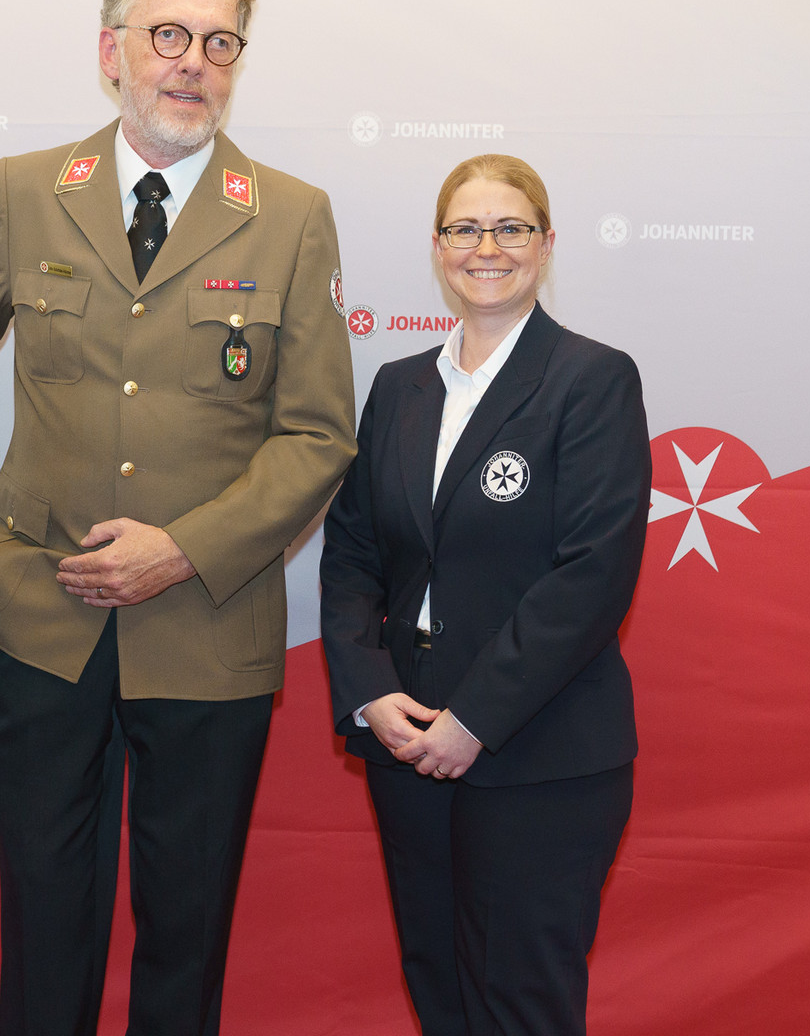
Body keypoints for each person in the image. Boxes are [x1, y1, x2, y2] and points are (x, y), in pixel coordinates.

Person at [0, 0, 357, 1036]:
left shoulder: (291, 212)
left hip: (207, 625)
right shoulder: (30, 189)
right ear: (110, 50)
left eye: (219, 42)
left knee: (187, 932)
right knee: (45, 923)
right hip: (43, 623)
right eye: (168, 35)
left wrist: (183, 546)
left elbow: (317, 433)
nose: (192, 63)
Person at [319, 154, 651, 1036]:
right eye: (465, 229)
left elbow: (592, 574)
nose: (486, 248)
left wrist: (474, 718)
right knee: (441, 992)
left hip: (536, 754)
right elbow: (353, 553)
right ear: (437, 247)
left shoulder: (592, 379)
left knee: (518, 1004)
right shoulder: (398, 388)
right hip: (406, 743)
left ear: (545, 244)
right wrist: (368, 693)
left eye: (510, 228)